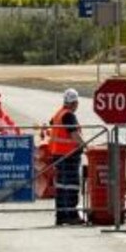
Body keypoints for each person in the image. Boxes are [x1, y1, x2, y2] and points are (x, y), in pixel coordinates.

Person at [49, 88, 85, 226]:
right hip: (68, 156)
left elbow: (52, 124)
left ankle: (61, 215)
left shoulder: (58, 114)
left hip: (58, 155)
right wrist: (86, 146)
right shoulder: (69, 115)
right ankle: (70, 215)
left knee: (61, 186)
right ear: (74, 102)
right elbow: (74, 135)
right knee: (71, 186)